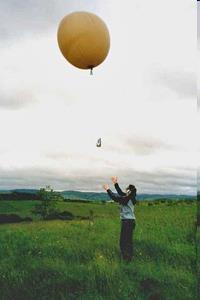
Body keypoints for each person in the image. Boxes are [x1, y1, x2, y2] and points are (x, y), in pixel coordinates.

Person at [103, 176, 137, 262]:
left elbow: (115, 197)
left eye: (126, 190)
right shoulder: (130, 198)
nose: (125, 191)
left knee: (123, 242)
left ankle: (126, 259)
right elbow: (120, 193)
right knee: (128, 241)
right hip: (130, 221)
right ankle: (128, 258)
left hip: (127, 222)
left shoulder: (126, 199)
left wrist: (107, 189)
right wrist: (115, 183)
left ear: (129, 191)